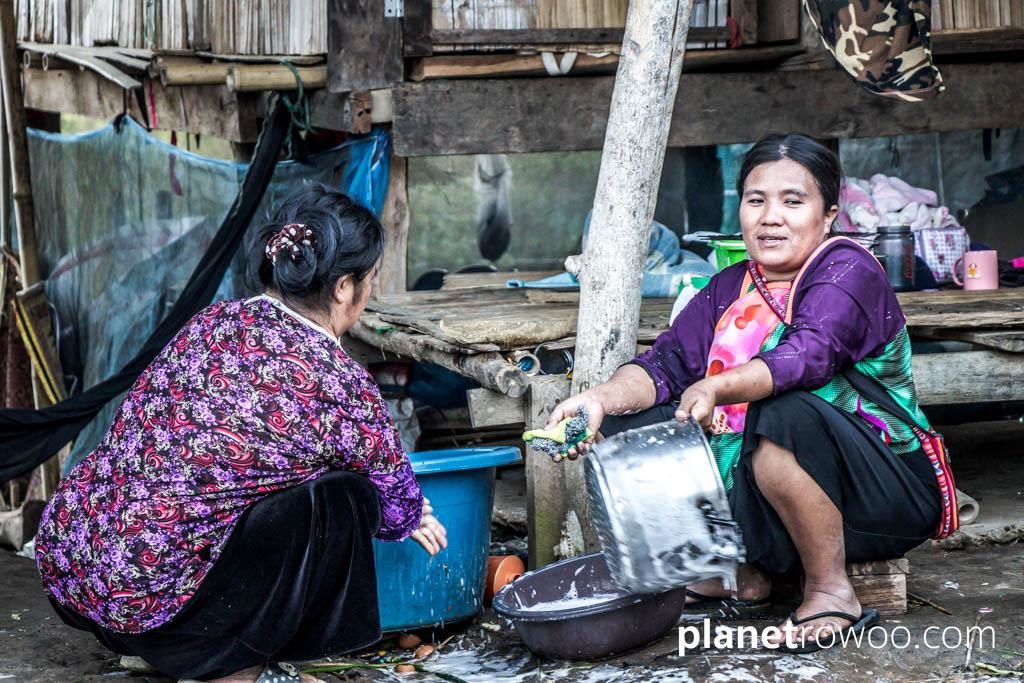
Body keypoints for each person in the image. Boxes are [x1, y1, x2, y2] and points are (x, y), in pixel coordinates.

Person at [547, 134, 952, 651]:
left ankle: (830, 590)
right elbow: (663, 366)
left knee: (782, 412)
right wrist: (599, 401)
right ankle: (735, 574)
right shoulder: (730, 285)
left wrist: (717, 386)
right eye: (756, 200)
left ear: (829, 214)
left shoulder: (849, 271)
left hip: (877, 498)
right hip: (761, 496)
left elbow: (808, 355)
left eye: (792, 201)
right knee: (625, 427)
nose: (770, 217)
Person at [35, 184, 448, 682]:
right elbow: (397, 509)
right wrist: (408, 513)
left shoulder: (212, 320)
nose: (369, 292)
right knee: (347, 494)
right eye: (370, 279)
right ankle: (228, 663)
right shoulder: (340, 381)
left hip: (74, 577)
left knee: (271, 483)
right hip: (157, 611)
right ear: (343, 287)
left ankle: (173, 648)